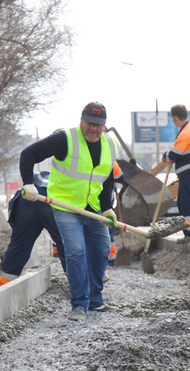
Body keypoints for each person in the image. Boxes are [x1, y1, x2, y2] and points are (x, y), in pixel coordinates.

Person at [20, 102, 119, 321]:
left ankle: (96, 301)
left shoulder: (110, 146)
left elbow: (107, 179)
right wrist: (28, 183)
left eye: (98, 125)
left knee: (102, 250)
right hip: (66, 207)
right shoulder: (66, 139)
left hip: (93, 208)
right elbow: (29, 153)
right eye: (89, 123)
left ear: (104, 126)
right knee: (75, 251)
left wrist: (107, 208)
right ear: (81, 120)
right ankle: (79, 305)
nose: (93, 128)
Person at [0, 171, 66, 285]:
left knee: (19, 244)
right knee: (67, 242)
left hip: (27, 198)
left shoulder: (38, 178)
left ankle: (4, 284)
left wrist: (18, 231)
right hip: (51, 199)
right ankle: (78, 285)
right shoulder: (69, 181)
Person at [162, 104, 190, 244]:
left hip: (188, 170)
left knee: (187, 201)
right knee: (183, 201)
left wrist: (166, 155)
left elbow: (175, 153)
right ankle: (189, 233)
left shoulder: (186, 132)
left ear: (175, 118)